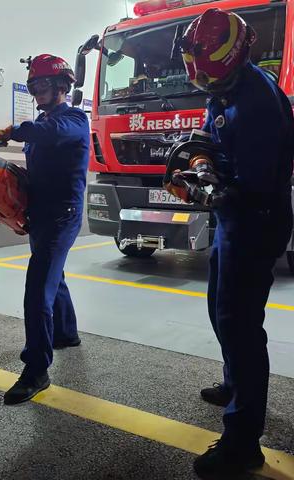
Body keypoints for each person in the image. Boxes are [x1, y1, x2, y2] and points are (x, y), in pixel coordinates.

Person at [179, 8, 294, 477]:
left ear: (231, 54)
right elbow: (211, 136)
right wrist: (201, 157)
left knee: (242, 326)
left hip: (255, 220)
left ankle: (243, 442)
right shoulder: (225, 88)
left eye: (203, 61)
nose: (196, 72)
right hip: (233, 220)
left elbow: (254, 185)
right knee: (219, 309)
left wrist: (205, 184)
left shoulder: (258, 102)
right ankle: (234, 384)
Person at [0, 54, 90, 405]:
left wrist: (12, 131)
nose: (37, 92)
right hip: (41, 213)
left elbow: (48, 134)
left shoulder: (74, 119)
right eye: (33, 86)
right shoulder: (41, 123)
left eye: (43, 85)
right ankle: (67, 333)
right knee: (53, 276)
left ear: (62, 85)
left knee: (38, 290)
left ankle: (36, 370)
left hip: (63, 215)